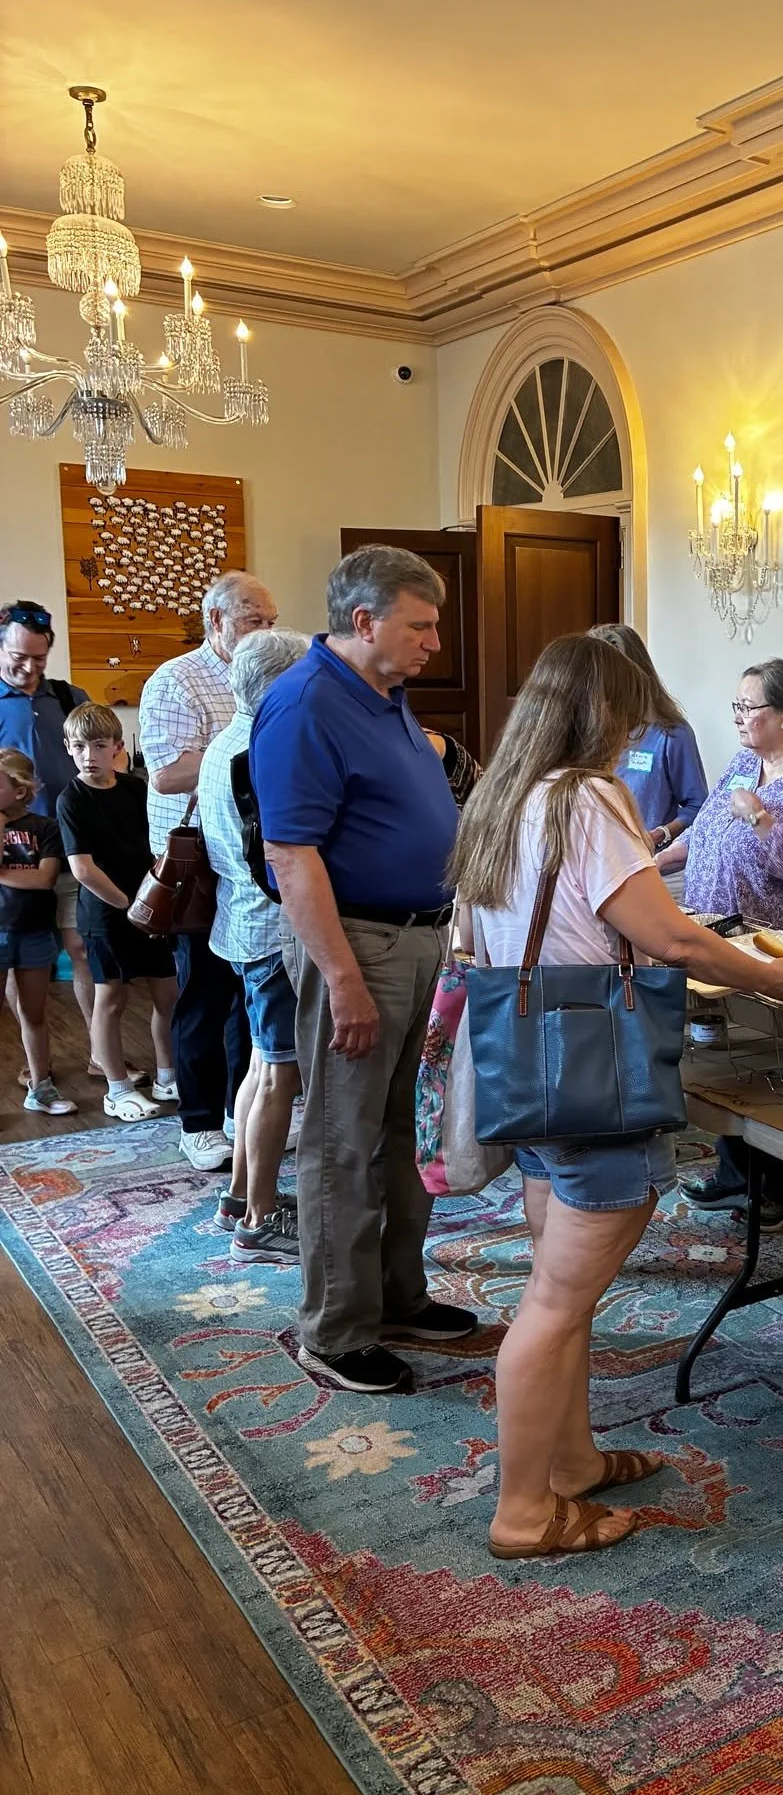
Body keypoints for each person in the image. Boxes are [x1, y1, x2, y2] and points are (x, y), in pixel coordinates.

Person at [450, 633, 783, 1559]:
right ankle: (524, 1512)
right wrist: (773, 982)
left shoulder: (509, 793)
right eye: (630, 710)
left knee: (558, 1295)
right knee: (552, 1305)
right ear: (602, 712)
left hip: (526, 1061)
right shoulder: (590, 798)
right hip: (591, 1070)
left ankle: (571, 1466)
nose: (638, 729)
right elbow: (675, 941)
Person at [251, 546, 478, 1395]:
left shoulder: (384, 693)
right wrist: (341, 978)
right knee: (343, 1142)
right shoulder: (305, 704)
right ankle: (335, 1330)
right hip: (358, 947)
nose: (433, 641)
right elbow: (292, 852)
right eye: (420, 625)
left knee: (405, 1135)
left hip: (418, 938)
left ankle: (395, 1297)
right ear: (364, 621)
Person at [660, 658, 783, 1228]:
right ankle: (734, 1177)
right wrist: (661, 855)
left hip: (777, 943)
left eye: (749, 707)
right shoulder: (746, 762)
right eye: (737, 706)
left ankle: (778, 1189)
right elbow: (710, 827)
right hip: (720, 932)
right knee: (724, 1059)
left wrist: (764, 821)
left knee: (769, 1063)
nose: (739, 718)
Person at [139, 570, 279, 1168]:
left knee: (252, 994)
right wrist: (243, 752)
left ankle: (235, 1109)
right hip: (197, 858)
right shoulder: (177, 680)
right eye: (254, 621)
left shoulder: (274, 677)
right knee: (204, 994)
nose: (265, 632)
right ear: (216, 622)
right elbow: (167, 772)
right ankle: (197, 1122)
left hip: (251, 857)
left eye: (272, 621)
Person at [198, 629, 310, 1262]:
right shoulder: (263, 749)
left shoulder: (224, 742)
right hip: (272, 930)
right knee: (278, 1074)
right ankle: (261, 1217)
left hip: (242, 925)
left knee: (261, 1067)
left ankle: (242, 1193)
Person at [56, 704, 176, 1120]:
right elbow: (82, 868)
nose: (89, 754)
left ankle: (168, 1074)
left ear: (118, 748)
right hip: (107, 913)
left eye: (99, 745)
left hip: (150, 907)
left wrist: (154, 900)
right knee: (111, 999)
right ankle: (117, 1088)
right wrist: (130, 905)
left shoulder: (136, 789)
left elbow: (158, 840)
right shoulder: (71, 799)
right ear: (68, 749)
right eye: (80, 747)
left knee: (167, 992)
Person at [0, 598, 94, 1045]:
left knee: (82, 948)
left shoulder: (67, 697)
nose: (29, 667)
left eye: (39, 657)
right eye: (19, 657)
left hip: (72, 843)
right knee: (25, 961)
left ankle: (101, 1052)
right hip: (16, 851)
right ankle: (33, 1062)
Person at [587, 622, 709, 854]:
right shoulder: (584, 730)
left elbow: (699, 806)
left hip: (650, 864)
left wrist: (662, 833)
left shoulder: (671, 733)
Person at [0, 748, 76, 1114]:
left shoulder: (44, 827)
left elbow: (46, 879)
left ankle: (41, 1088)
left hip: (33, 931)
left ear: (20, 790)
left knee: (34, 1013)